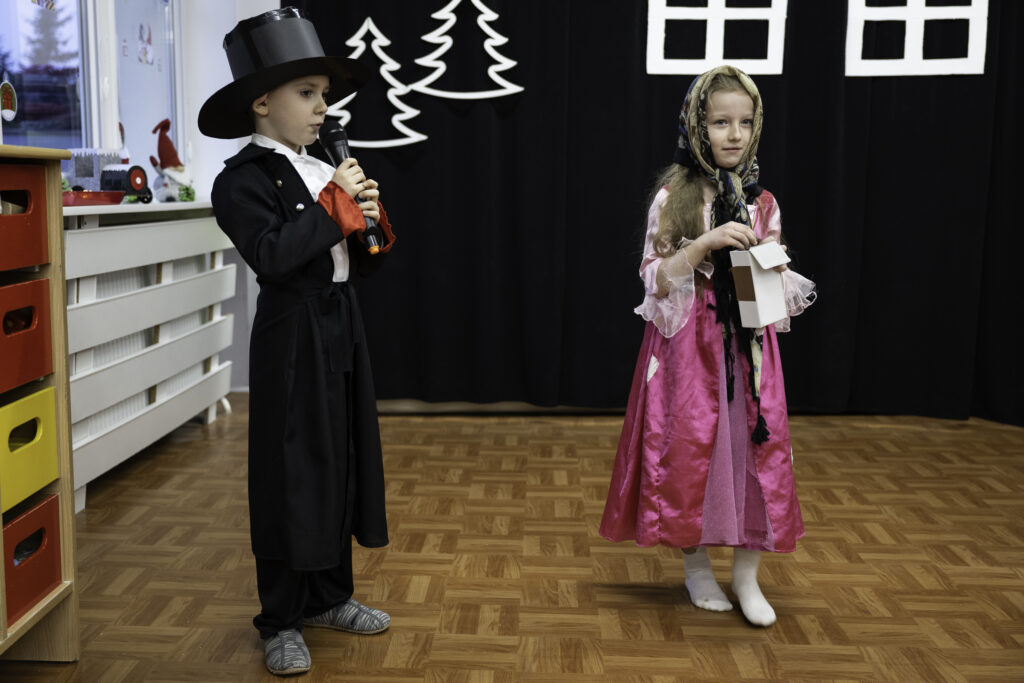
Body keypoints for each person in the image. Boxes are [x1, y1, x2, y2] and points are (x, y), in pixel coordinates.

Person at [198, 8, 394, 675]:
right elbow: (274, 255)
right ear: (261, 102)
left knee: (338, 458)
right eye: (306, 93)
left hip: (341, 322)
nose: (322, 108)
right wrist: (337, 205)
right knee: (291, 471)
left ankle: (329, 595)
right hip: (292, 335)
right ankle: (280, 617)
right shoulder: (240, 180)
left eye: (324, 94)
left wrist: (367, 222)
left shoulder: (320, 169)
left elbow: (356, 260)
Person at [599, 65, 816, 627]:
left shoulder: (762, 201)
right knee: (690, 449)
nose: (734, 135)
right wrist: (705, 244)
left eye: (744, 122)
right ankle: (696, 569)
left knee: (755, 451)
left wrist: (771, 266)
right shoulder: (674, 197)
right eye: (720, 122)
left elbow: (777, 286)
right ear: (697, 126)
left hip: (748, 348)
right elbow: (654, 277)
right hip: (689, 345)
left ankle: (747, 577)